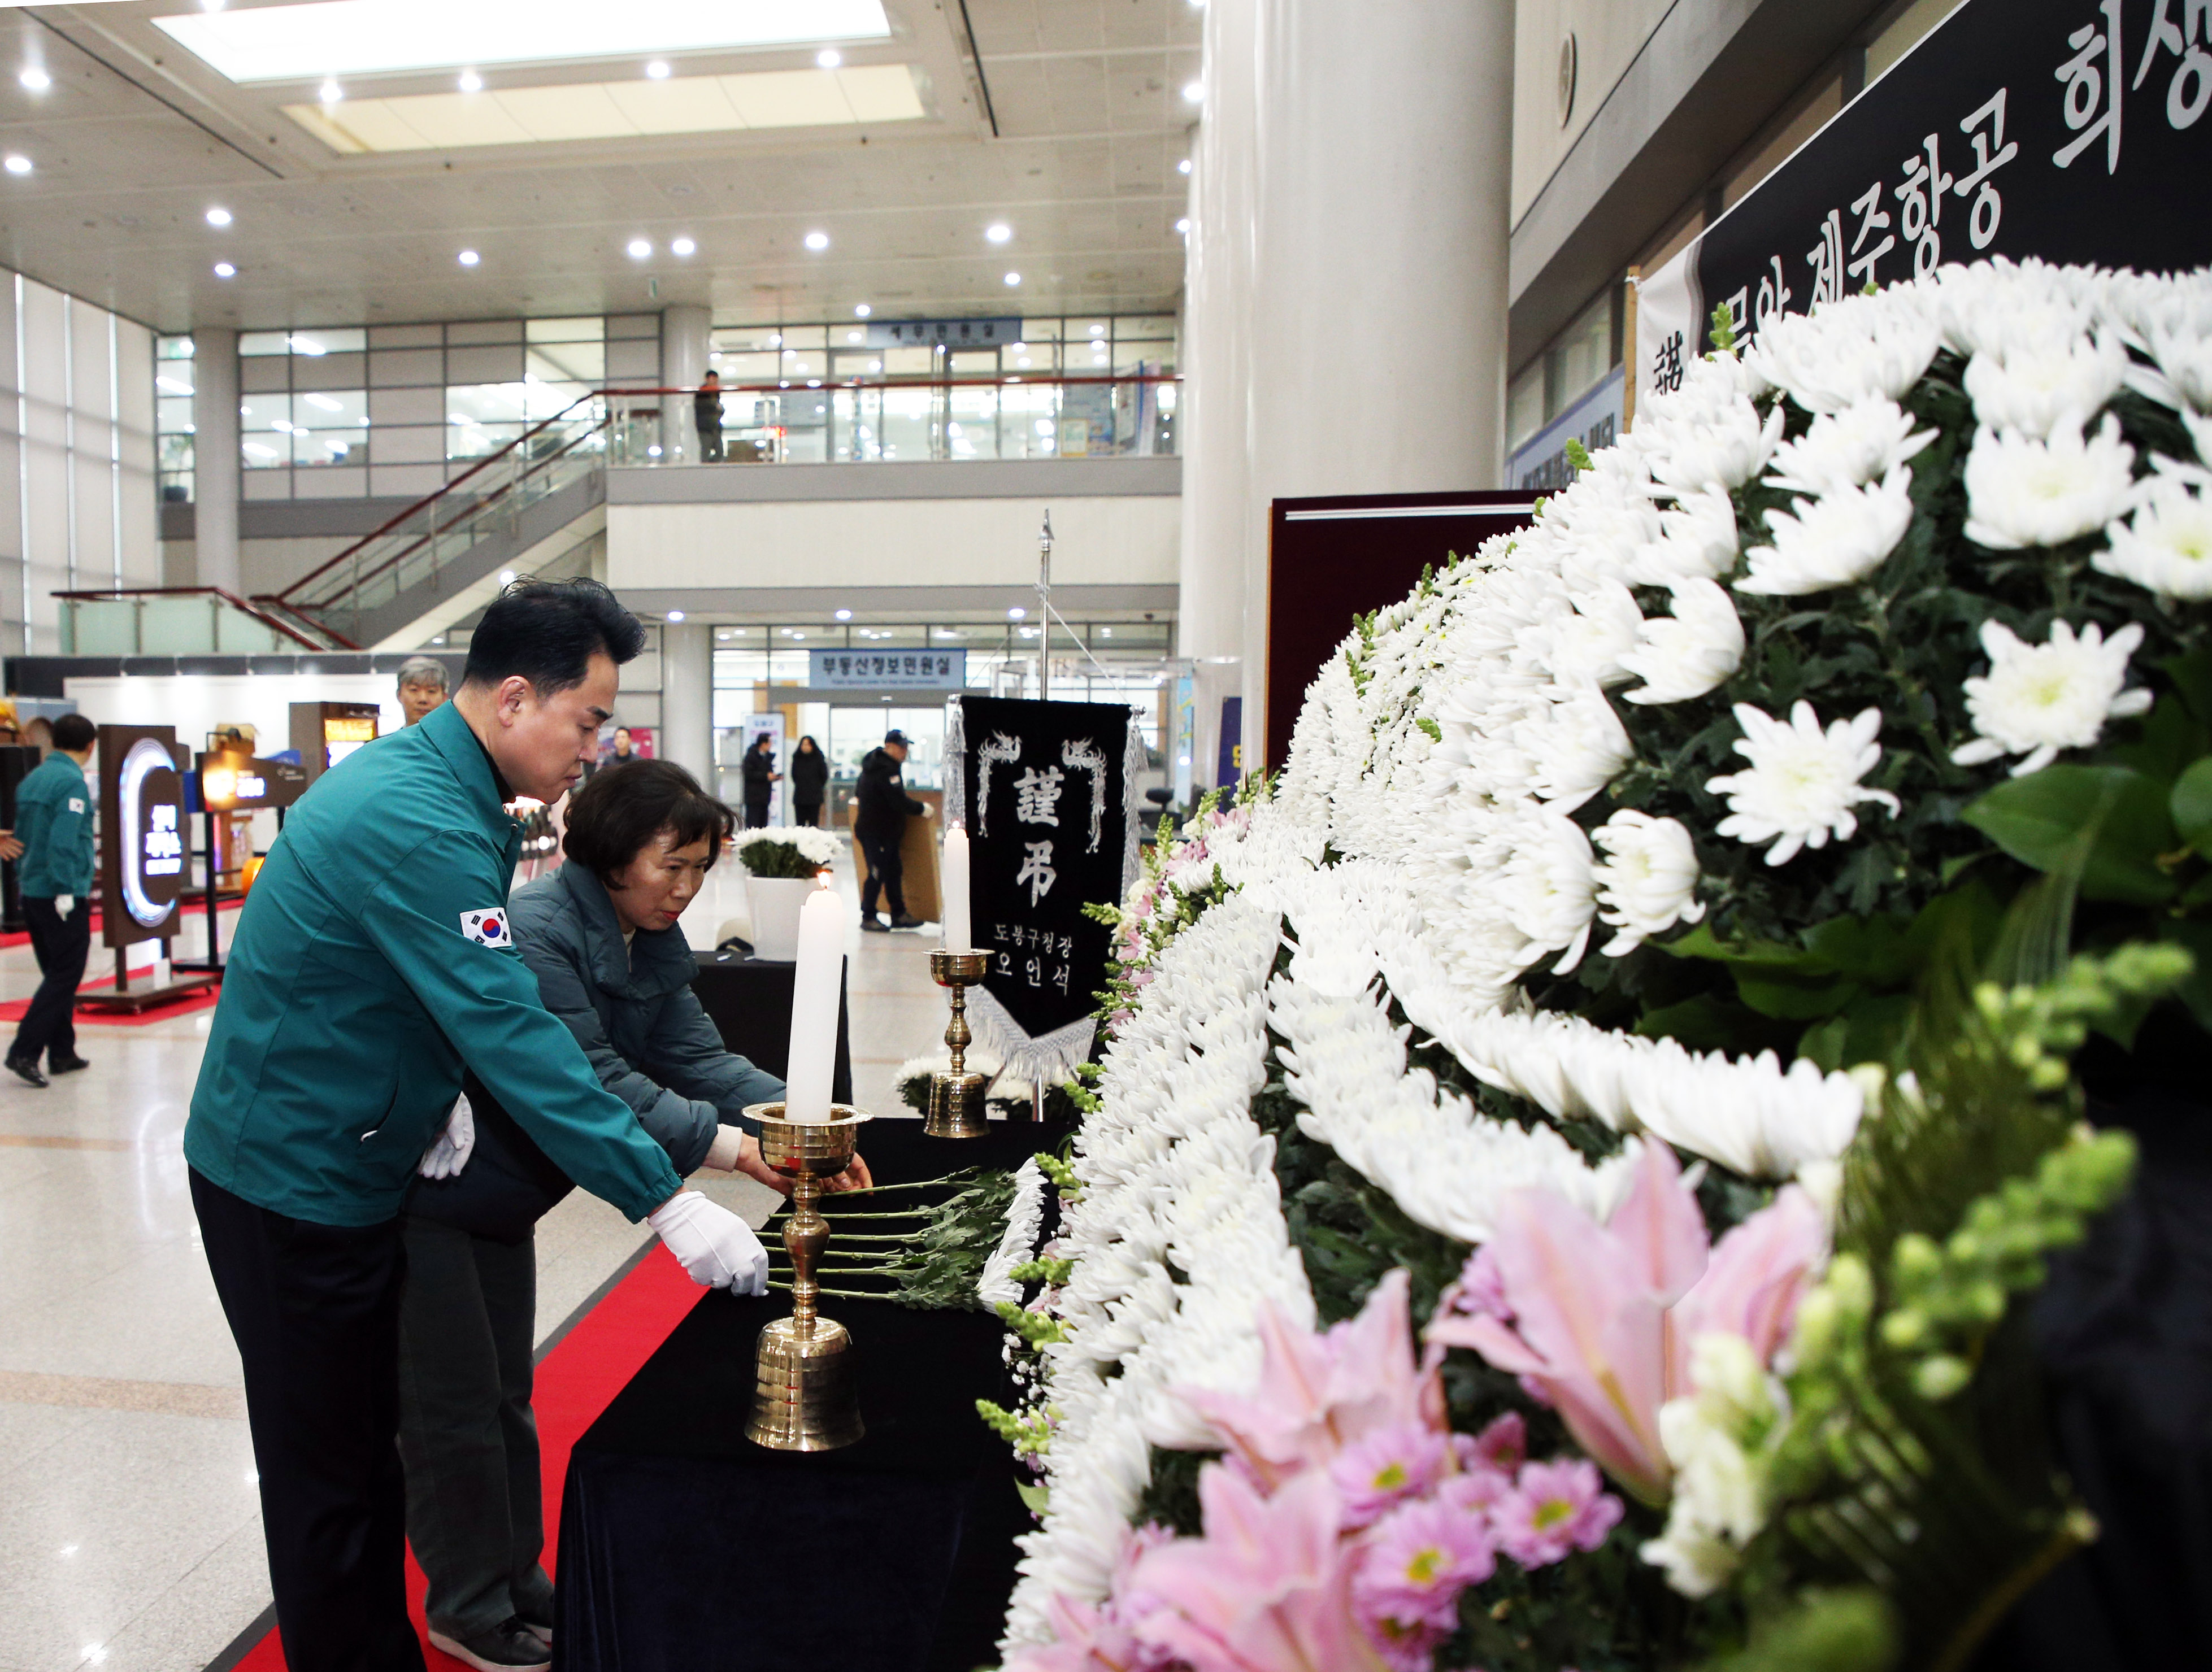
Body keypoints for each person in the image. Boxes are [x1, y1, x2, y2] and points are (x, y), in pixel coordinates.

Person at [183, 579, 771, 1672]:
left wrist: (437, 1079)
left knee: (365, 1449)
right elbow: (516, 1028)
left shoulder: (458, 797)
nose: (594, 748)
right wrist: (663, 1198)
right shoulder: (417, 817)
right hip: (287, 1173)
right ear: (514, 699)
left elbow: (442, 980)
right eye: (588, 720)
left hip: (359, 1149)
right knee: (333, 1475)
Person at [396, 757, 867, 1672]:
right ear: (612, 851)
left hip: (500, 1201)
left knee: (505, 1400)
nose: (687, 889)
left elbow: (696, 1055)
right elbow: (597, 1081)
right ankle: (463, 1605)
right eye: (672, 865)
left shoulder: (642, 932)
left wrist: (805, 1115)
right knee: (451, 1412)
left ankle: (514, 1578)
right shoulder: (536, 930)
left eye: (699, 868)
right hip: (438, 1202)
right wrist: (738, 1150)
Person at [6, 713, 97, 1087]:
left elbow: (21, 838)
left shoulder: (33, 780)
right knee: (65, 974)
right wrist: (65, 888)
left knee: (54, 971)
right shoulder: (71, 784)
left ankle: (63, 1051)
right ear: (89, 747)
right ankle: (25, 1051)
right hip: (61, 893)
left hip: (33, 892)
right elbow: (63, 842)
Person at [855, 728, 928, 932]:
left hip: (886, 832)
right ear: (889, 746)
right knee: (876, 872)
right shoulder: (885, 769)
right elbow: (897, 801)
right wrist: (921, 809)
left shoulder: (877, 765)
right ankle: (868, 916)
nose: (905, 752)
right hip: (875, 831)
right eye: (901, 748)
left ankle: (899, 914)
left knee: (894, 871)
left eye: (906, 748)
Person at [396, 656, 451, 726]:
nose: (423, 699)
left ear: (445, 697)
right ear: (399, 695)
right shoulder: (390, 738)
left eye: (431, 691)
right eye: (414, 690)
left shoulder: (459, 737)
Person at [741, 733, 779, 828]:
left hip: (765, 798)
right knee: (753, 826)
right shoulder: (751, 756)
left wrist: (774, 777)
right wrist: (765, 776)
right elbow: (749, 774)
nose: (771, 745)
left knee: (763, 826)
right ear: (763, 744)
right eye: (769, 742)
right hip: (753, 798)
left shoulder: (767, 757)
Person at [790, 734, 828, 828]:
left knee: (813, 825)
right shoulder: (797, 758)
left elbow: (824, 776)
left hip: (814, 797)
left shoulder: (819, 758)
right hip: (800, 796)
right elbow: (794, 776)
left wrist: (816, 786)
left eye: (808, 745)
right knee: (800, 825)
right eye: (803, 745)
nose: (805, 747)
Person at [693, 370, 724, 464]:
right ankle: (706, 470)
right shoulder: (702, 393)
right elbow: (704, 408)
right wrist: (717, 408)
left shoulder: (716, 393)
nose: (715, 382)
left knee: (719, 451)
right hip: (705, 427)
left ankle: (711, 467)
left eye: (716, 380)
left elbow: (717, 408)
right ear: (707, 380)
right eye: (712, 379)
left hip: (715, 427)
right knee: (706, 450)